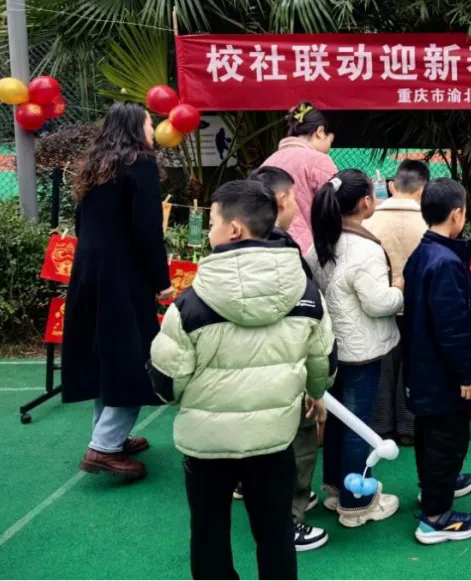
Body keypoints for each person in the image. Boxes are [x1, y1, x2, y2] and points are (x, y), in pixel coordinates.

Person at [149, 180, 335, 581]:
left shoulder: (190, 304)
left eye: (212, 222)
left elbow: (166, 384)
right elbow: (324, 364)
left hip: (206, 445)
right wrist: (315, 393)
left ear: (234, 229)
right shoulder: (307, 294)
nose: (209, 231)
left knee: (209, 533)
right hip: (274, 438)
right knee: (275, 533)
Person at [63, 103, 171, 480]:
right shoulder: (139, 163)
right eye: (149, 123)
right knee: (135, 357)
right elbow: (147, 230)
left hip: (88, 272)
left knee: (106, 356)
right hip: (123, 277)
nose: (154, 129)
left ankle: (109, 436)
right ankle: (105, 446)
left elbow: (82, 223)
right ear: (135, 128)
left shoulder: (96, 165)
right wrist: (161, 280)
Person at [309, 169, 404, 528]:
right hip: (361, 350)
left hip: (329, 348)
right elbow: (377, 303)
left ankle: (337, 488)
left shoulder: (319, 244)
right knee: (358, 425)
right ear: (366, 202)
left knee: (338, 421)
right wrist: (399, 289)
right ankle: (357, 503)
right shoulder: (365, 249)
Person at [402, 179, 471, 544]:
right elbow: (452, 327)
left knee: (431, 432)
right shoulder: (445, 263)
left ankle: (435, 488)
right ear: (457, 214)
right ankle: (436, 518)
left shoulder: (425, 253)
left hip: (425, 366)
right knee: (448, 438)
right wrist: (467, 372)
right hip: (442, 371)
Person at [247, 166, 329, 552]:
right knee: (297, 439)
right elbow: (306, 318)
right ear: (282, 200)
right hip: (284, 364)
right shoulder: (284, 251)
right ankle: (288, 520)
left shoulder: (237, 248)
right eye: (294, 197)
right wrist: (317, 380)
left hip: (250, 368)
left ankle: (273, 504)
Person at [364, 159, 431, 445]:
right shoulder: (429, 222)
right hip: (417, 304)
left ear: (392, 186)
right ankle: (409, 427)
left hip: (377, 302)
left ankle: (381, 427)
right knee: (413, 362)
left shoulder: (368, 222)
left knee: (382, 363)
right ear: (423, 189)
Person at [261, 103, 338, 253]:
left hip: (269, 245)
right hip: (308, 250)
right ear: (320, 132)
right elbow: (338, 204)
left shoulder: (268, 161)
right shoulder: (319, 161)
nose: (329, 147)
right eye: (330, 140)